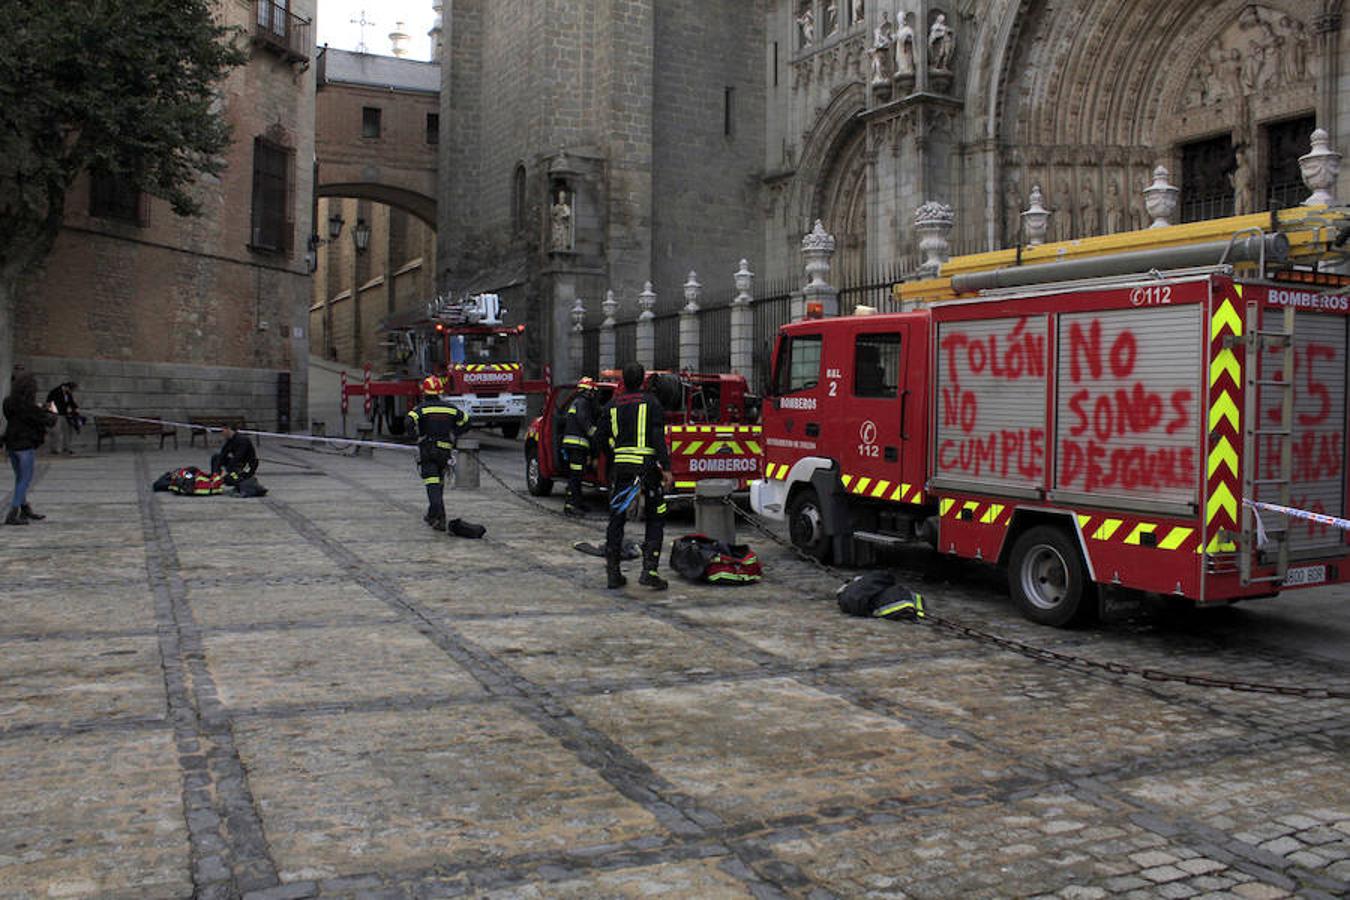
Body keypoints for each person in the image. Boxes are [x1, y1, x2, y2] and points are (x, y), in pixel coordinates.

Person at [594, 362, 673, 590]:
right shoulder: (652, 403)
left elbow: (599, 439)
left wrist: (614, 457)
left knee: (617, 518)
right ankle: (649, 571)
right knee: (656, 516)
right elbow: (658, 437)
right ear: (642, 381)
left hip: (622, 471)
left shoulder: (612, 405)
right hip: (647, 469)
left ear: (623, 381)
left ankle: (613, 573)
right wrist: (666, 468)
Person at [405, 375, 470, 531]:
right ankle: (432, 514)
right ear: (440, 391)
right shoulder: (450, 408)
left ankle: (440, 518)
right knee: (438, 483)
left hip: (428, 451)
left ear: (424, 392)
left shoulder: (421, 408)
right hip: (445, 452)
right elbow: (467, 421)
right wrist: (455, 434)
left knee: (432, 485)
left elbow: (408, 420)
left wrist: (415, 437)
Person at [3, 374, 57, 525]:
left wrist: (38, 408)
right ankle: (13, 513)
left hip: (12, 444)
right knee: (25, 479)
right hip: (25, 446)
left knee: (20, 478)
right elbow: (49, 421)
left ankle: (25, 508)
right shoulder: (30, 408)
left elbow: (15, 416)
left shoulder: (8, 403)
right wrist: (53, 411)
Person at [561, 377, 600, 517]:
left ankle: (577, 502)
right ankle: (571, 505)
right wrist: (597, 435)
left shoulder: (575, 402)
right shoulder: (583, 403)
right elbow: (585, 423)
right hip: (577, 445)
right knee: (575, 476)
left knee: (577, 475)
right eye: (593, 392)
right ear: (589, 391)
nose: (594, 395)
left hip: (574, 445)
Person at [210, 423, 258, 487]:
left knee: (230, 479)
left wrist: (229, 469)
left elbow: (239, 456)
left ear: (228, 429)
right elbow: (223, 454)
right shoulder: (230, 440)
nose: (222, 433)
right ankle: (215, 477)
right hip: (237, 463)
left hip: (247, 465)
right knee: (216, 457)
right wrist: (217, 470)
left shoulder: (242, 440)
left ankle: (239, 477)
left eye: (223, 430)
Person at [45, 381, 80, 455]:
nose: (71, 392)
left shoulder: (67, 393)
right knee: (57, 432)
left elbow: (71, 402)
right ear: (67, 387)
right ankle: (55, 449)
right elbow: (49, 402)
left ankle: (66, 448)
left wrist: (76, 408)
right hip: (56, 415)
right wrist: (53, 412)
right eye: (71, 390)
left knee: (67, 431)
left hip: (65, 414)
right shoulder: (55, 391)